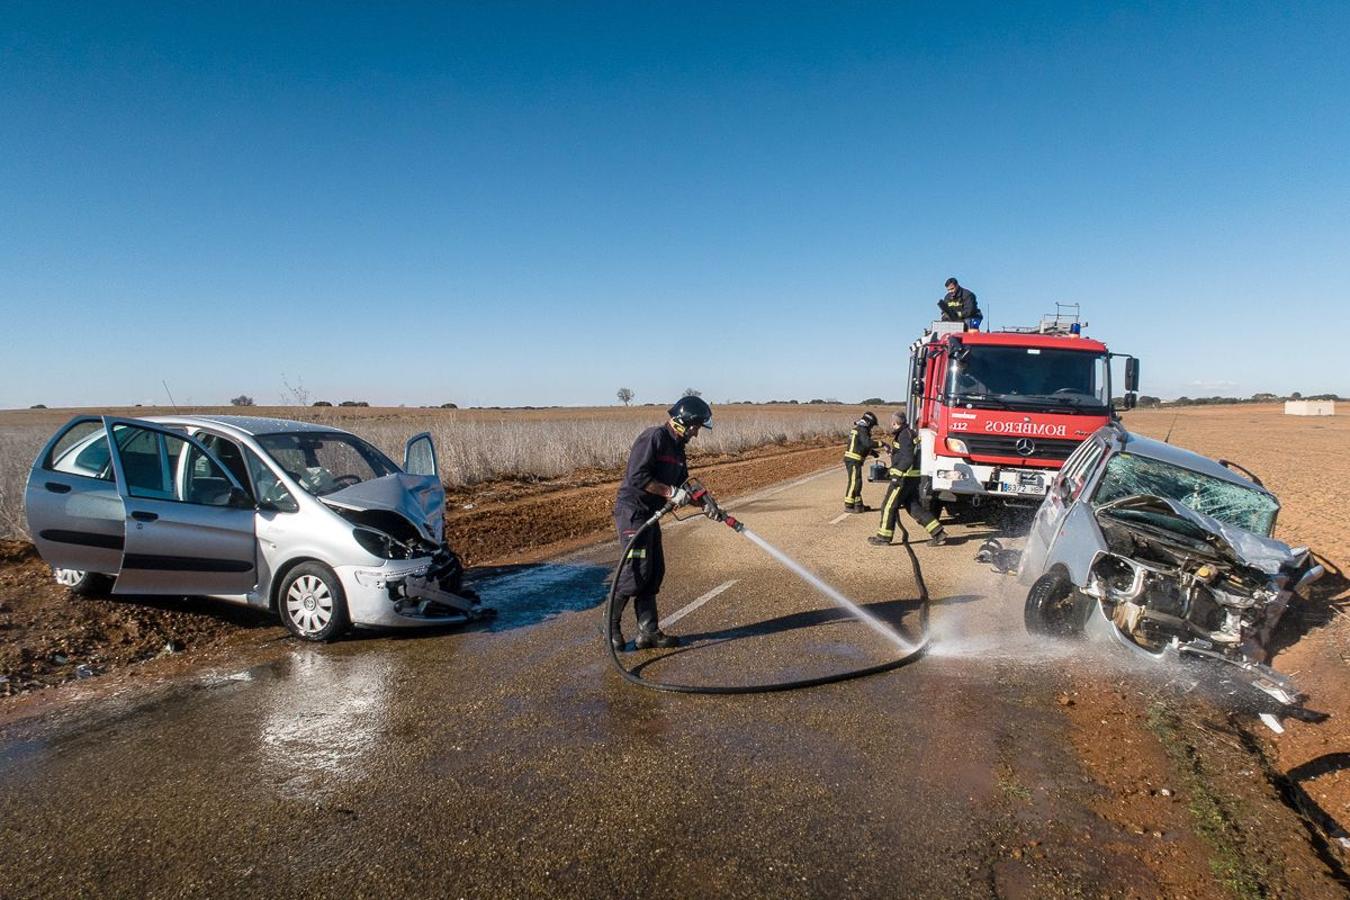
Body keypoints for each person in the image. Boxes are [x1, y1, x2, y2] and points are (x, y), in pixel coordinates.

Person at [610, 395, 714, 651]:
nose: (697, 434)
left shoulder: (678, 448)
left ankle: (648, 632)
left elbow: (685, 485)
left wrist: (708, 503)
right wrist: (669, 493)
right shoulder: (654, 437)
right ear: (684, 422)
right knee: (635, 572)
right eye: (696, 427)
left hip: (651, 515)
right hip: (633, 513)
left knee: (654, 572)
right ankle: (609, 626)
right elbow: (637, 477)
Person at [868, 412, 948, 547]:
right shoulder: (909, 433)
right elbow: (906, 454)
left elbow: (908, 458)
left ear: (895, 423)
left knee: (888, 506)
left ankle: (883, 538)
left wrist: (896, 474)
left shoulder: (904, 436)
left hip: (903, 479)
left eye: (892, 423)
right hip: (912, 478)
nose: (891, 426)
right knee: (914, 508)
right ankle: (938, 533)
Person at [843, 411, 880, 512]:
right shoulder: (862, 429)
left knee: (858, 482)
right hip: (853, 460)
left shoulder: (859, 429)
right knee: (855, 482)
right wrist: (882, 444)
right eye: (871, 426)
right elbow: (867, 443)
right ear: (868, 423)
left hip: (854, 460)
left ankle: (858, 505)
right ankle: (849, 505)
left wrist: (873, 453)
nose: (871, 428)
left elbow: (861, 446)